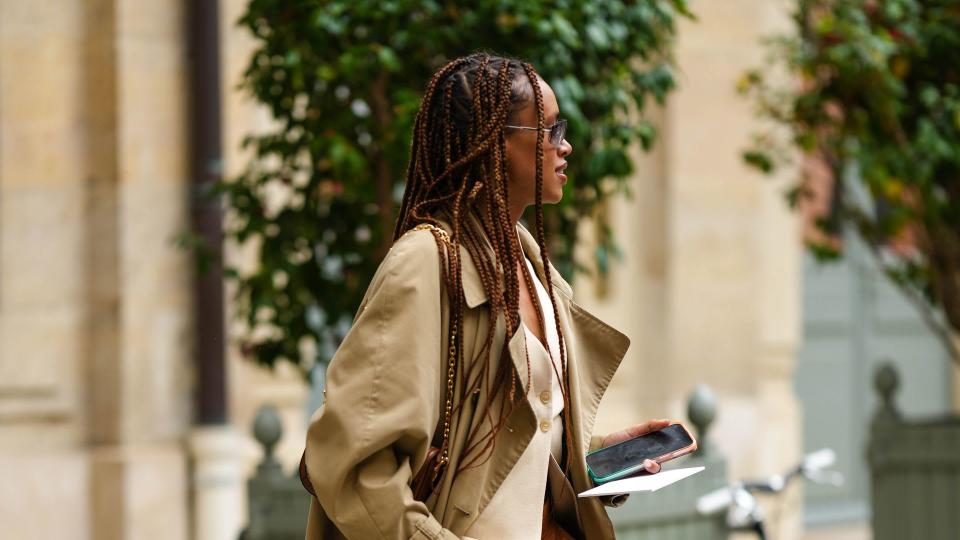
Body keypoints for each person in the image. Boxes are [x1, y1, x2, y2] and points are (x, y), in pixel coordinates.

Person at [302, 52, 670, 540]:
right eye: (550, 132)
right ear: (494, 146)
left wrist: (597, 459)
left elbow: (513, 443)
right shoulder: (427, 263)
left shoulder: (529, 263)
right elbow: (356, 463)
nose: (567, 147)